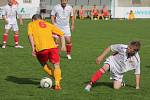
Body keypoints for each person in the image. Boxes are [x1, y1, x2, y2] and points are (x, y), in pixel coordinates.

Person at [27, 14, 64, 90]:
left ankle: (56, 77)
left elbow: (30, 35)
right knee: (56, 65)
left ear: (33, 19)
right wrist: (63, 45)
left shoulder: (31, 24)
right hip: (53, 47)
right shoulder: (48, 24)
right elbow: (61, 34)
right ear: (41, 19)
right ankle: (57, 83)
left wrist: (33, 48)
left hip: (41, 49)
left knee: (43, 64)